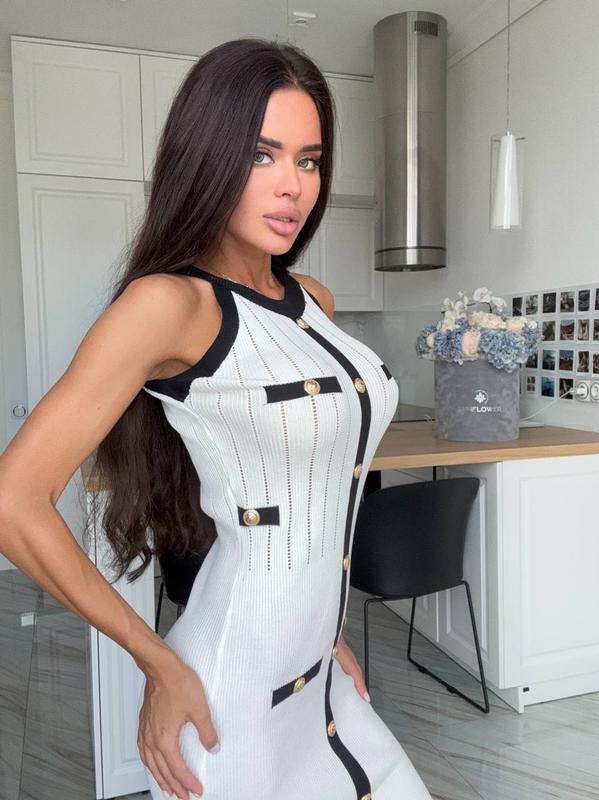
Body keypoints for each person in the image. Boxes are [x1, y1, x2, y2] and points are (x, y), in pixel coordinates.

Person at [0, 37, 433, 800]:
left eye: (308, 160)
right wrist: (156, 660)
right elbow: (12, 502)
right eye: (261, 155)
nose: (292, 185)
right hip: (230, 693)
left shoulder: (315, 302)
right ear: (207, 158)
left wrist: (324, 630)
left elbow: (312, 495)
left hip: (321, 675)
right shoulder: (169, 306)